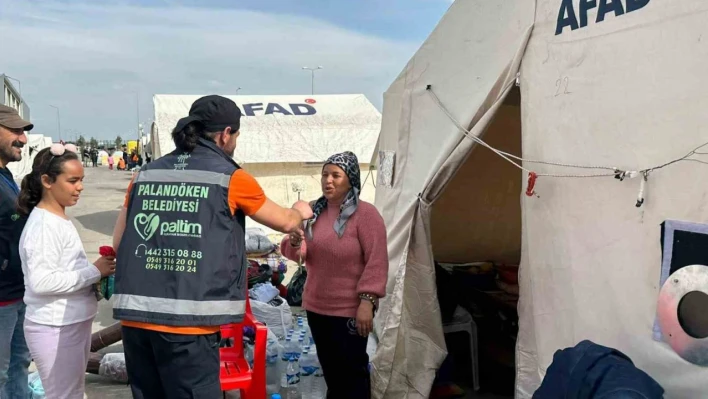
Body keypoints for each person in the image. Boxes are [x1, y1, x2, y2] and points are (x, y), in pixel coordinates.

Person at [111, 95, 313, 398]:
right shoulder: (230, 177)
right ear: (225, 134)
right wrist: (301, 210)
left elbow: (119, 243)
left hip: (136, 322)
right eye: (236, 136)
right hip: (189, 326)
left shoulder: (144, 174)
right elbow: (284, 221)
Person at [280, 151, 388, 399]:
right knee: (331, 372)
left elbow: (377, 260)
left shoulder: (366, 215)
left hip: (350, 310)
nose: (328, 180)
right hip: (317, 308)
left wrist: (367, 301)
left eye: (336, 175)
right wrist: (295, 240)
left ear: (351, 179)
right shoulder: (314, 213)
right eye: (325, 174)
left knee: (353, 373)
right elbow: (300, 254)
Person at [17, 144, 116, 399]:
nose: (80, 187)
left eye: (81, 180)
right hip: (55, 326)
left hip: (69, 323)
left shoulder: (57, 218)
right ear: (47, 181)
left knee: (71, 392)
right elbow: (42, 282)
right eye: (72, 181)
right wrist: (93, 272)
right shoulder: (43, 227)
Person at [0, 105, 32, 399]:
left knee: (18, 365)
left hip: (18, 292)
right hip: (1, 300)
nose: (23, 139)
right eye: (15, 131)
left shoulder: (6, 175)